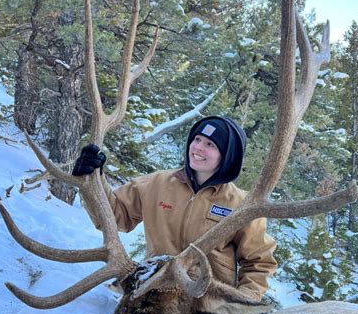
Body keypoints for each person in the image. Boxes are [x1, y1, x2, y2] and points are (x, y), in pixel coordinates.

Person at [72, 116, 277, 300]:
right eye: (196, 140)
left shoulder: (242, 205)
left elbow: (258, 263)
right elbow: (116, 216)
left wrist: (242, 301)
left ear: (228, 156)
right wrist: (93, 180)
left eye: (210, 144)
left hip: (207, 304)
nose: (198, 148)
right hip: (158, 293)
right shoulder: (157, 183)